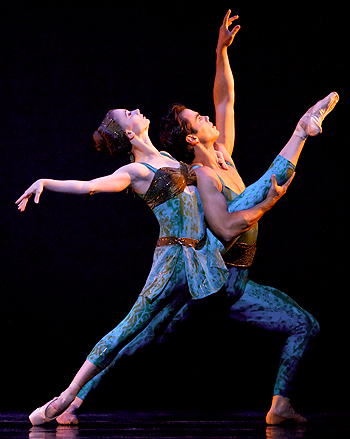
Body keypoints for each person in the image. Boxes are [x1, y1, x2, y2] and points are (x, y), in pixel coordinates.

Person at [17, 103, 292, 426]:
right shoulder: (134, 171)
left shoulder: (168, 155)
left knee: (154, 332)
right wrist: (47, 182)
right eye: (128, 114)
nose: (136, 109)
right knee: (130, 328)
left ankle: (75, 399)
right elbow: (90, 186)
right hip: (171, 260)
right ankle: (66, 396)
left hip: (197, 258)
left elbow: (225, 106)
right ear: (130, 133)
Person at [158, 10, 339, 425]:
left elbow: (225, 98)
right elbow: (223, 226)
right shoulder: (202, 175)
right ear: (191, 138)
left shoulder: (223, 156)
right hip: (211, 289)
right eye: (197, 120)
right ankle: (76, 396)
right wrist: (264, 206)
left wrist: (220, 50)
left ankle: (279, 407)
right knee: (143, 337)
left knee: (305, 325)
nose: (207, 116)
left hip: (238, 287)